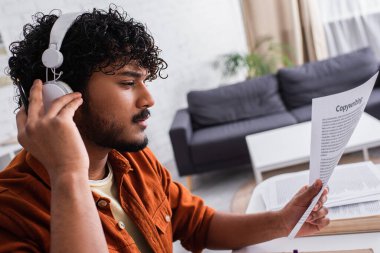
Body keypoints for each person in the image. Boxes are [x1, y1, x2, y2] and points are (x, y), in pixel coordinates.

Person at [0, 6, 329, 253]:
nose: (149, 99)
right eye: (129, 83)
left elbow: (200, 224)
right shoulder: (11, 211)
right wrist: (68, 174)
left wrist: (283, 221)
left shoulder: (136, 160)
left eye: (144, 81)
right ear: (60, 93)